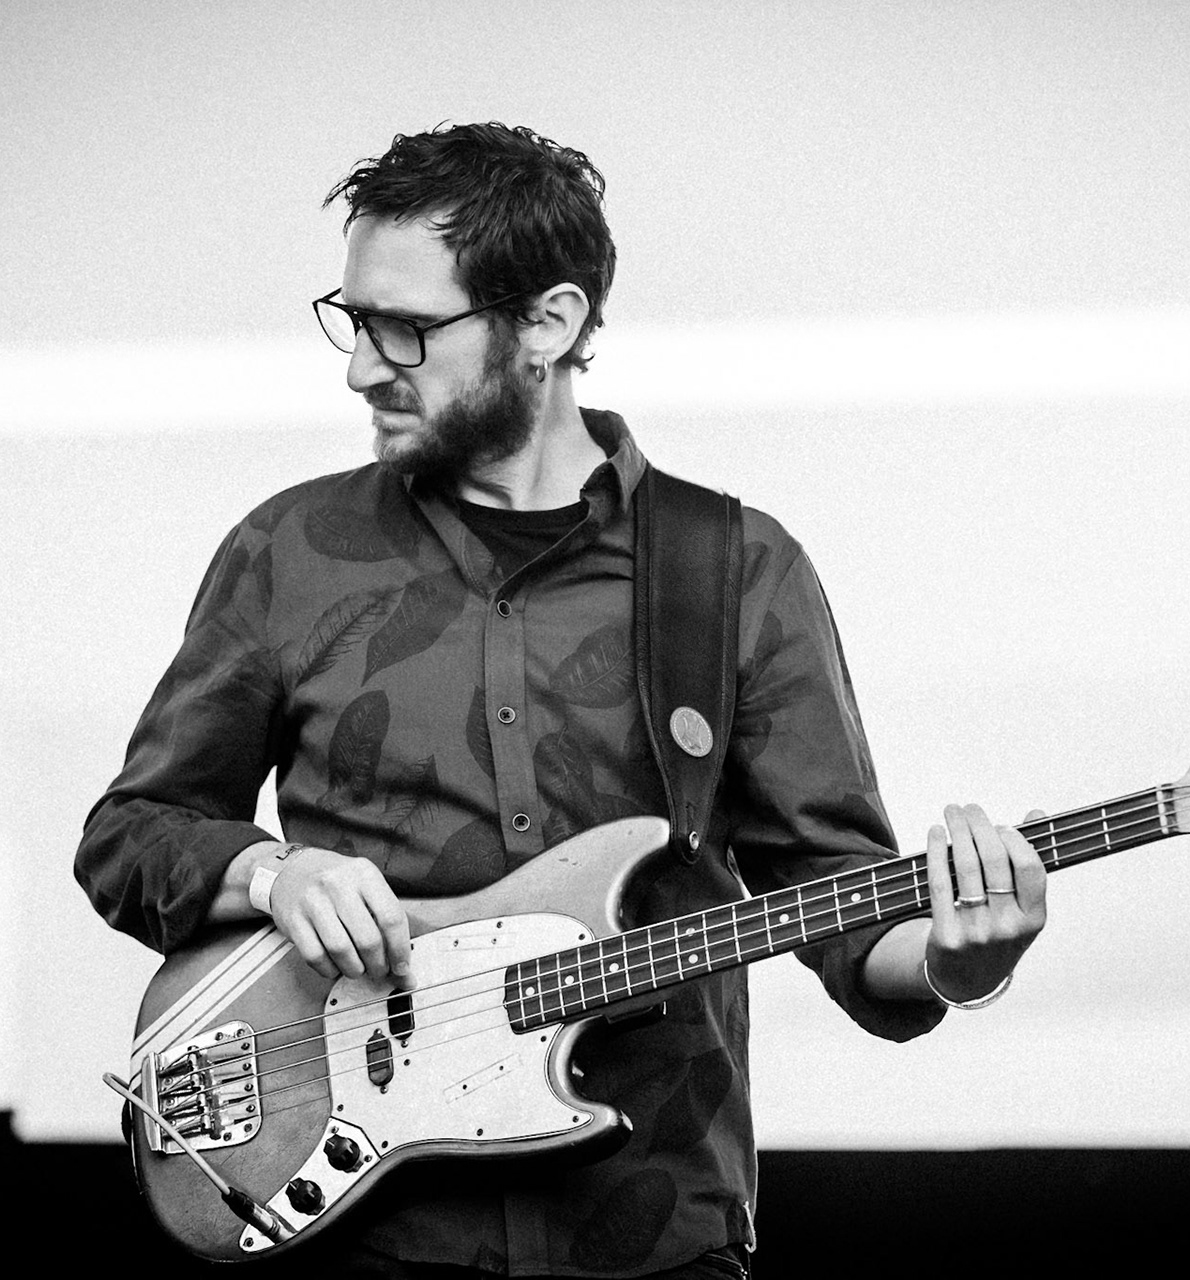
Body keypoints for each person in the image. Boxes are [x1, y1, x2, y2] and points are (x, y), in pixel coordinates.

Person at [76, 120, 1048, 1278]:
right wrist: (274, 871)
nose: (359, 365)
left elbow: (843, 909)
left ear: (550, 321)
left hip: (650, 1236)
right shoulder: (293, 550)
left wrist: (957, 959)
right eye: (352, 320)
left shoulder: (734, 569)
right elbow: (131, 840)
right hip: (366, 1242)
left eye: (407, 329)